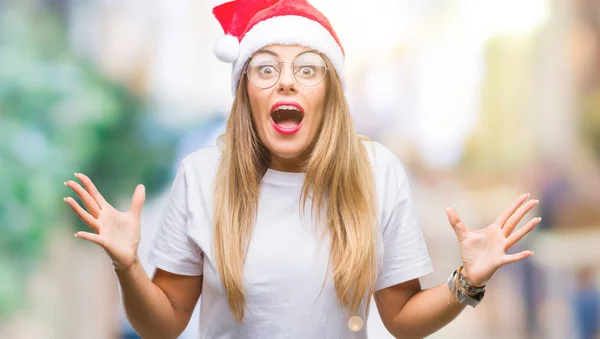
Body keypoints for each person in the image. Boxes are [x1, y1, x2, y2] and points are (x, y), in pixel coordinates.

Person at [62, 0, 541, 338]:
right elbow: (163, 326)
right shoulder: (202, 175)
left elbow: (402, 320)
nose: (286, 81)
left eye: (307, 69)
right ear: (245, 91)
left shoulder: (378, 171)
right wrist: (126, 267)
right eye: (266, 68)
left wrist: (468, 281)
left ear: (331, 92)